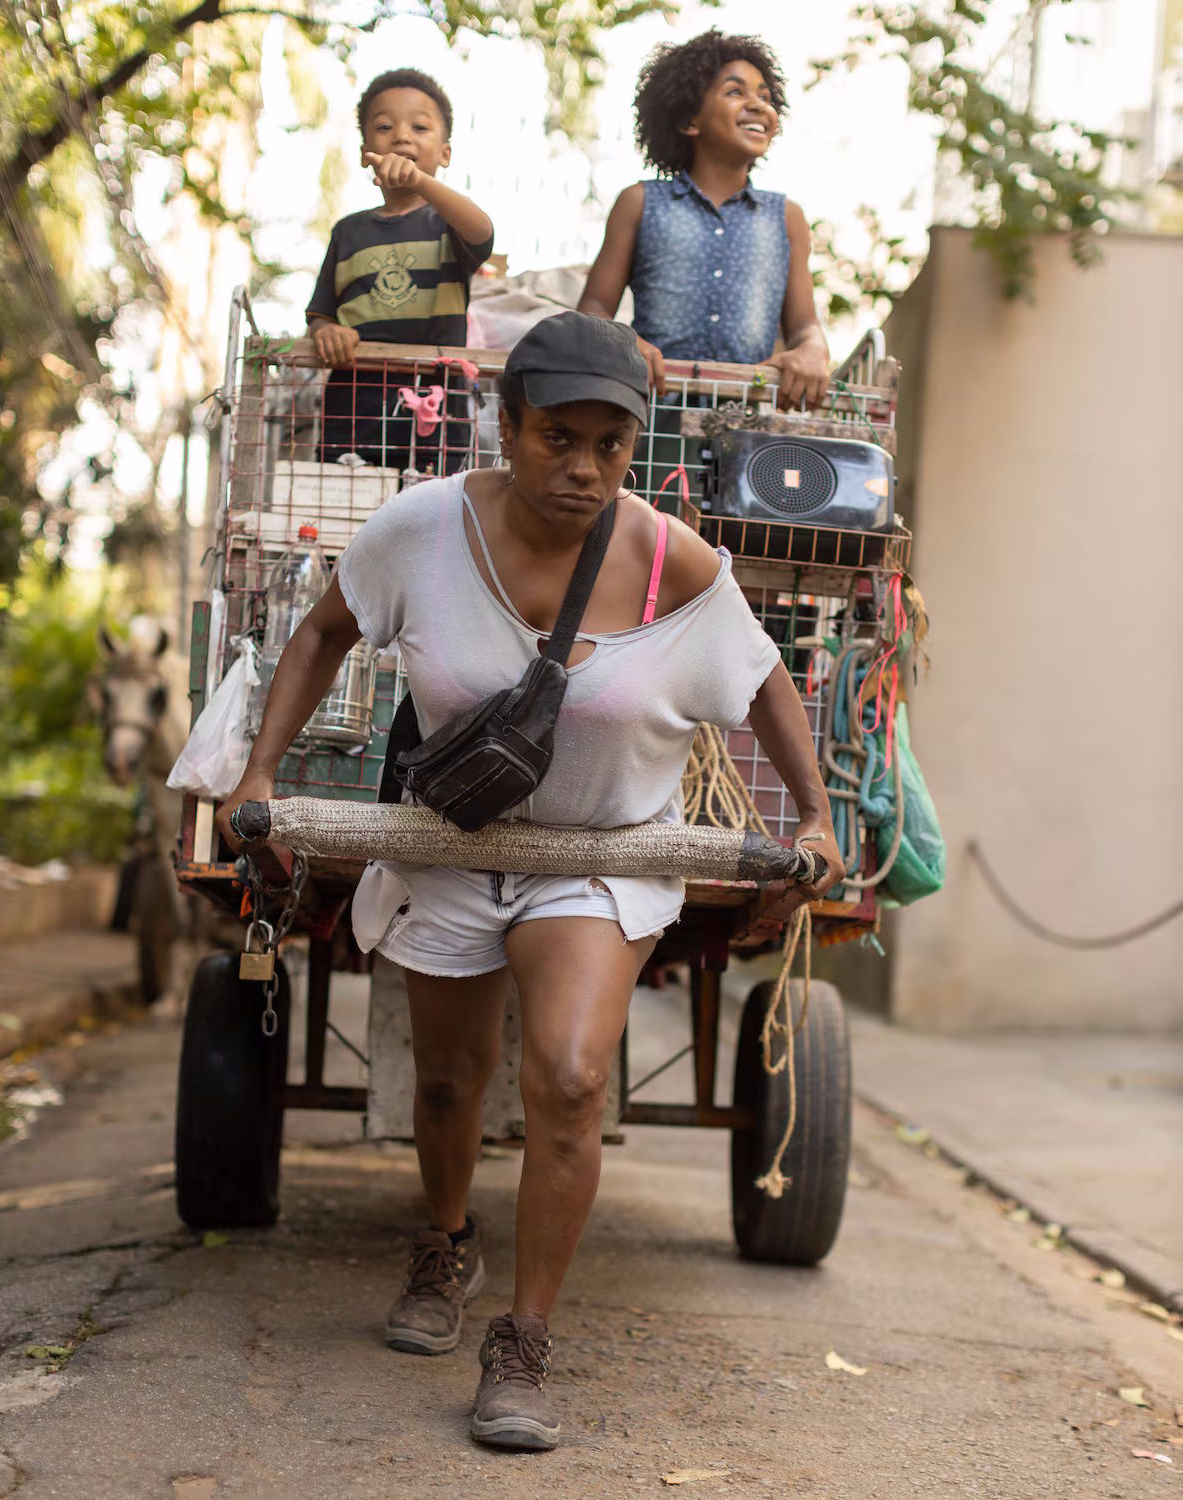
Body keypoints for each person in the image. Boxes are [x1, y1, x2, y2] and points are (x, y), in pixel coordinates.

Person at [217, 312, 845, 1453]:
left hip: (603, 855)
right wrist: (258, 773)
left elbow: (761, 680)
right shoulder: (422, 530)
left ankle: (524, 1339)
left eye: (613, 445)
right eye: (560, 437)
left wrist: (813, 815)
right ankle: (447, 1240)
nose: (586, 467)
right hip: (451, 845)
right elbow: (319, 634)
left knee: (566, 1075)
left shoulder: (668, 558)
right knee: (451, 1084)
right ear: (506, 429)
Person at [579, 30, 829, 447]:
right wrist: (625, 342)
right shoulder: (638, 203)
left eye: (765, 96)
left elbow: (804, 326)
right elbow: (593, 310)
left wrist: (812, 351)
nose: (757, 105)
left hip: (748, 434)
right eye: (735, 91)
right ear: (688, 120)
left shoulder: (787, 218)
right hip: (648, 423)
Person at [306, 68, 494, 474]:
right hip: (354, 413)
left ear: (444, 153)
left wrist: (424, 184)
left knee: (431, 519)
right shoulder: (348, 232)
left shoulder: (448, 224)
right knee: (346, 517)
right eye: (385, 126)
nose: (401, 136)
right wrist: (326, 333)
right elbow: (319, 315)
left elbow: (483, 231)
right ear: (363, 152)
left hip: (436, 416)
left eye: (419, 127)